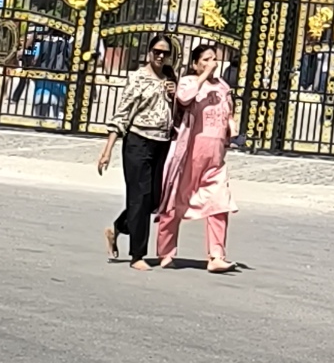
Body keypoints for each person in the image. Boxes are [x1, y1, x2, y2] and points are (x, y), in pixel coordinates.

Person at [98, 35, 178, 270]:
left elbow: (178, 114)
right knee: (139, 197)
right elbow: (122, 114)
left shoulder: (170, 78)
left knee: (154, 199)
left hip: (161, 143)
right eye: (156, 51)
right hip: (138, 141)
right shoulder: (138, 78)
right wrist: (107, 149)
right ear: (149, 52)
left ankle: (118, 227)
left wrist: (175, 96)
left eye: (165, 53)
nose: (160, 56)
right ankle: (137, 255)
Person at [156, 44, 237, 273]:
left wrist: (232, 126)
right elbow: (183, 98)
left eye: (214, 59)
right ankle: (166, 252)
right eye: (206, 60)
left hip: (215, 157)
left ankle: (217, 256)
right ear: (195, 64)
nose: (212, 63)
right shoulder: (189, 82)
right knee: (175, 203)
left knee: (219, 205)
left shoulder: (222, 86)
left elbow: (229, 112)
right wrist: (202, 77)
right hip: (189, 156)